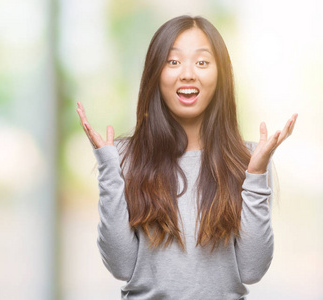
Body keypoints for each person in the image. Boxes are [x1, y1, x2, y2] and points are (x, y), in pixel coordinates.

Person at [75, 15, 297, 299]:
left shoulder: (249, 158)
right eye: (173, 61)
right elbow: (120, 265)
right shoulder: (125, 157)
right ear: (156, 73)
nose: (188, 73)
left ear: (221, 76)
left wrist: (255, 174)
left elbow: (252, 270)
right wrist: (108, 168)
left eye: (202, 62)